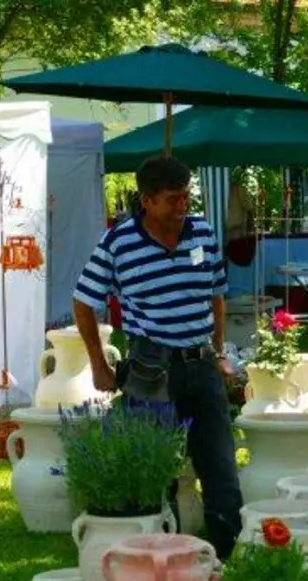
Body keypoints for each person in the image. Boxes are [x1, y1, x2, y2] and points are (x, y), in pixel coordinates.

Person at [72, 155, 243, 560]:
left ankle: (228, 556)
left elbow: (217, 293)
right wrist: (99, 364)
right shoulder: (119, 242)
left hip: (200, 362)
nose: (182, 206)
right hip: (150, 366)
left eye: (186, 196)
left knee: (220, 465)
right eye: (172, 199)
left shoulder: (202, 231)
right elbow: (83, 302)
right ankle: (157, 557)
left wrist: (219, 352)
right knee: (155, 469)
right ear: (146, 201)